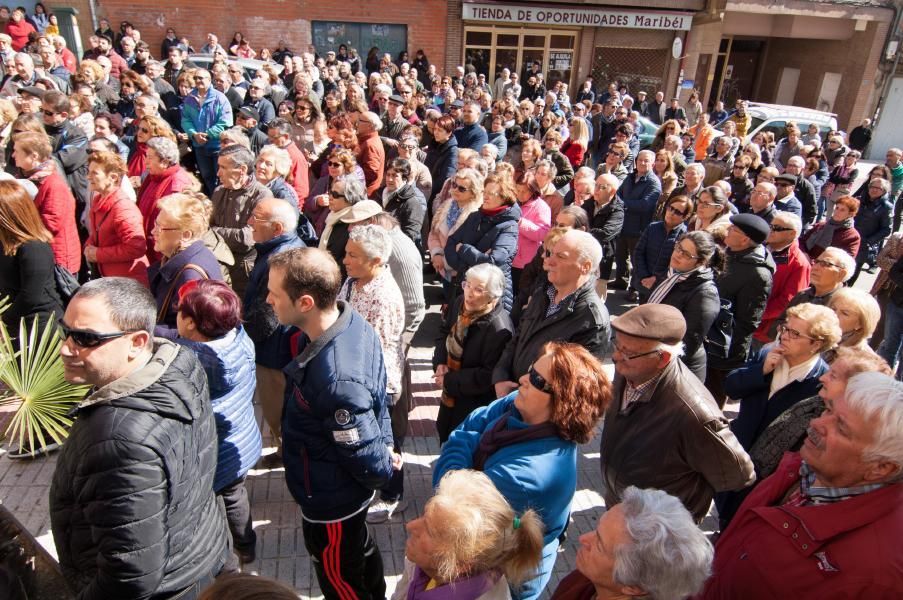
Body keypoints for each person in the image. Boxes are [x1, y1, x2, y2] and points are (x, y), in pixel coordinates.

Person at [50, 277, 231, 599]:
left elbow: (130, 575)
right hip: (200, 555)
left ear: (137, 342)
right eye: (66, 331)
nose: (66, 347)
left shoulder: (117, 443)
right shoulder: (179, 360)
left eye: (85, 338)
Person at [699, 372, 903, 598]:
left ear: (881, 468)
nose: (815, 423)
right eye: (828, 410)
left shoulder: (879, 576)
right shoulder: (803, 468)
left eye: (842, 428)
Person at [435, 341, 612, 599]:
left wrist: (463, 438)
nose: (523, 379)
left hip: (503, 580)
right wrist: (468, 437)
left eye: (538, 380)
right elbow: (475, 419)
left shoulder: (527, 477)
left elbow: (450, 494)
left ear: (563, 402)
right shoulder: (520, 405)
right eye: (531, 370)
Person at [267, 247, 395, 600]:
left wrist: (384, 462)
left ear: (305, 302)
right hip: (336, 492)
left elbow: (361, 447)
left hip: (333, 502)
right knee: (360, 557)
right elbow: (377, 401)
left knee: (341, 579)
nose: (268, 300)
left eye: (274, 294)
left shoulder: (335, 378)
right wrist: (386, 444)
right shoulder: (351, 321)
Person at [602, 303, 754, 522]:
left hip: (657, 528)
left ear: (662, 358)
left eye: (627, 352)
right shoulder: (630, 368)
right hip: (622, 507)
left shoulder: (695, 413)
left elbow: (740, 475)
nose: (616, 357)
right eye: (617, 346)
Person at [716, 303, 842, 527]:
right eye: (785, 328)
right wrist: (760, 371)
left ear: (817, 344)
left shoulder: (820, 382)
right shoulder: (767, 354)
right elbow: (732, 387)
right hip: (737, 452)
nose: (783, 336)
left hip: (768, 472)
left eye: (795, 333)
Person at [174, 279, 262, 565]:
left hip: (216, 448)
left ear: (189, 323)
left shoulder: (194, 360)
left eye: (180, 311)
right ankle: (246, 544)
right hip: (241, 435)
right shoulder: (237, 338)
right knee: (236, 492)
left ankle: (238, 549)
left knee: (228, 497)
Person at [338, 224, 407, 523]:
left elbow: (374, 351)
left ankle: (393, 494)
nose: (345, 260)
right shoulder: (354, 282)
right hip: (354, 373)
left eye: (353, 255)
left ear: (376, 261)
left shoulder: (384, 297)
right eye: (346, 253)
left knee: (384, 440)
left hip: (377, 383)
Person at [492, 230, 610, 396]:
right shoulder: (542, 293)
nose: (548, 261)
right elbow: (518, 338)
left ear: (585, 266)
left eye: (561, 256)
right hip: (512, 396)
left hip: (538, 410)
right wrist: (501, 377)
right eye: (550, 253)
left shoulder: (591, 319)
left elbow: (571, 385)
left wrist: (524, 394)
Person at [396, 469, 543, 600]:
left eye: (430, 531)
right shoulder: (423, 564)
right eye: (424, 516)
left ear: (461, 564)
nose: (410, 526)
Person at [550, 487, 713, 600]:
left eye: (600, 544)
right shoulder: (587, 579)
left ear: (633, 588)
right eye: (596, 530)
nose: (583, 538)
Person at [242, 198, 303, 468]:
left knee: (276, 407)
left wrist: (245, 336)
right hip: (273, 348)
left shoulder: (282, 258)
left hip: (274, 351)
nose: (250, 222)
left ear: (277, 228)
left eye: (256, 217)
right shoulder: (278, 250)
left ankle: (288, 455)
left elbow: (270, 315)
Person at [433, 263, 514, 444]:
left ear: (492, 296)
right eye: (467, 285)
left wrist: (449, 380)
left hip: (473, 408)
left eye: (478, 289)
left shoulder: (499, 328)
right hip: (451, 399)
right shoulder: (461, 303)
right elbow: (444, 332)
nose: (469, 293)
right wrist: (440, 363)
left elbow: (488, 375)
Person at [706, 214, 775, 406]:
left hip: (722, 349)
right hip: (706, 337)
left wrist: (725, 349)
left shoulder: (758, 274)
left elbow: (747, 321)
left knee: (710, 399)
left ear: (745, 239)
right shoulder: (728, 253)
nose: (727, 231)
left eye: (733, 230)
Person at [645, 230, 720, 382]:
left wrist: (653, 359)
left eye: (686, 254)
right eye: (678, 248)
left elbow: (688, 342)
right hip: (650, 356)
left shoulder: (705, 293)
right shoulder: (671, 275)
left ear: (701, 262)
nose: (677, 254)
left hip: (676, 368)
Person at [147, 192, 224, 338]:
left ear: (186, 235)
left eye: (161, 228)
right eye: (155, 224)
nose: (153, 232)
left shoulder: (190, 276)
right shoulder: (193, 254)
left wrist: (143, 329)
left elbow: (192, 333)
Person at [445, 172, 521, 312]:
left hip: (489, 293)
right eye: (484, 192)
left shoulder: (509, 227)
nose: (485, 196)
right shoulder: (475, 216)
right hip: (465, 284)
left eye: (491, 193)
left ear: (504, 197)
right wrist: (465, 265)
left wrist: (463, 250)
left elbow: (493, 261)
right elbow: (451, 241)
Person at [0, 179, 62, 340]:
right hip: (13, 322)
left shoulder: (34, 247)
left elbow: (30, 296)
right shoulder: (5, 242)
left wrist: (4, 321)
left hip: (37, 327)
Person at [13, 131, 81, 274]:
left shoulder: (53, 184)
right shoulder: (27, 178)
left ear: (34, 156)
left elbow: (51, 223)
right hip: (41, 252)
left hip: (57, 259)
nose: (13, 155)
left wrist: (18, 227)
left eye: (16, 151)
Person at [209, 144, 274, 296]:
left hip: (242, 273)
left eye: (223, 168)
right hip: (217, 267)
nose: (218, 173)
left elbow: (247, 238)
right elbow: (205, 227)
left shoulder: (262, 195)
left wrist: (213, 233)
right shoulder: (219, 192)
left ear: (242, 170)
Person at [84, 150, 149, 285]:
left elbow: (136, 247)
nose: (88, 177)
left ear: (113, 177)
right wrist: (89, 244)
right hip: (111, 278)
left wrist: (98, 254)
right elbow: (99, 233)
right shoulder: (99, 199)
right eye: (88, 172)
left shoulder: (123, 209)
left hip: (128, 282)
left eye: (94, 173)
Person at [753, 211, 810, 348]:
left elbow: (788, 301)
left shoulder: (799, 264)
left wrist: (756, 316)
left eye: (777, 228)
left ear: (792, 233)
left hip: (761, 329)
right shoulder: (760, 246)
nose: (771, 230)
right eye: (771, 226)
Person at [428, 167, 483, 301]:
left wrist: (451, 263)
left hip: (462, 273)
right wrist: (436, 254)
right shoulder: (446, 205)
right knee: (448, 300)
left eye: (462, 189)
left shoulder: (477, 214)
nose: (455, 190)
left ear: (473, 192)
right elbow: (434, 233)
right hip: (444, 269)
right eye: (454, 185)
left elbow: (471, 246)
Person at [136, 136, 194, 262]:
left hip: (164, 253)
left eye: (150, 158)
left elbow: (178, 224)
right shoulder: (154, 178)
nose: (146, 162)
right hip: (151, 246)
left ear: (165, 161)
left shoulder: (178, 184)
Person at [611, 150, 661, 291]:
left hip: (639, 228)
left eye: (646, 161)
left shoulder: (653, 183)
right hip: (623, 224)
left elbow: (645, 205)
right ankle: (620, 281)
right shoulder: (630, 177)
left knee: (636, 260)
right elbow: (618, 194)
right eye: (640, 160)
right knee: (621, 256)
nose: (642, 163)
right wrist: (622, 203)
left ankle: (634, 288)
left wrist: (622, 204)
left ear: (653, 163)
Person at [631, 195, 692, 303]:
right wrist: (644, 276)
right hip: (643, 282)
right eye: (670, 208)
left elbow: (679, 264)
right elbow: (638, 252)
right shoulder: (652, 227)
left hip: (665, 287)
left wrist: (657, 279)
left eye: (677, 212)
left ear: (685, 217)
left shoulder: (685, 236)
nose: (671, 213)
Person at [181, 69, 233, 194]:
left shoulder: (220, 98)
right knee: (207, 177)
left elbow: (226, 121)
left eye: (201, 78)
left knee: (222, 178)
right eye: (196, 78)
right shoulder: (190, 99)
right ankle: (212, 201)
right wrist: (193, 134)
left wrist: (208, 134)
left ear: (209, 80)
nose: (198, 81)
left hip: (217, 146)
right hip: (199, 146)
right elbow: (185, 120)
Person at [511, 170, 551, 292]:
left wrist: (521, 223)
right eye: (518, 190)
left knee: (521, 292)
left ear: (533, 190)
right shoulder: (513, 202)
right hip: (510, 257)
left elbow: (543, 233)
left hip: (526, 261)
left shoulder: (541, 206)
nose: (520, 194)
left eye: (524, 191)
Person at [848, 176, 892, 285]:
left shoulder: (886, 207)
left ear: (884, 191)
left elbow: (886, 229)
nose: (874, 189)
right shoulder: (858, 200)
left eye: (878, 188)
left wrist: (868, 241)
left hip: (864, 244)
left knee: (854, 270)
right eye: (872, 186)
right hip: (848, 239)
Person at [799, 194, 861, 260]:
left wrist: (818, 263)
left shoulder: (852, 236)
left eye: (842, 210)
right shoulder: (821, 225)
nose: (837, 212)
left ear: (850, 214)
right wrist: (804, 253)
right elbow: (802, 241)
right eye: (837, 208)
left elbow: (847, 259)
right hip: (804, 260)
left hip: (824, 267)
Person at [381, 157, 425, 247]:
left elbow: (410, 234)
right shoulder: (378, 194)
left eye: (394, 175)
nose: (389, 179)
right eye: (388, 175)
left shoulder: (412, 203)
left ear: (404, 178)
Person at [827, 287, 881, 355]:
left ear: (860, 324)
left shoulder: (859, 358)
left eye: (845, 313)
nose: (834, 315)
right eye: (833, 309)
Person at [424, 114, 458, 201]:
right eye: (435, 129)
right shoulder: (434, 144)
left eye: (440, 130)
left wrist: (429, 190)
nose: (436, 132)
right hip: (425, 187)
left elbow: (446, 177)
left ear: (449, 133)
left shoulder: (452, 151)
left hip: (435, 194)